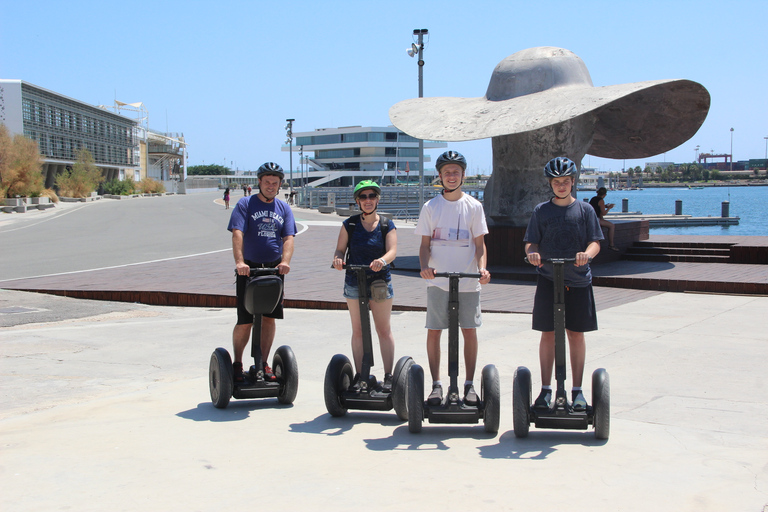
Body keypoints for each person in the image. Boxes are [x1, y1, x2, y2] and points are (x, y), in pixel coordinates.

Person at [523, 157, 603, 412]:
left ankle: (577, 391)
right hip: (548, 279)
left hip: (578, 281)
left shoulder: (585, 210)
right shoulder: (541, 211)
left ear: (572, 183)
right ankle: (546, 390)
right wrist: (533, 253)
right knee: (548, 334)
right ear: (551, 184)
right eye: (557, 182)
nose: (561, 186)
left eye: (566, 182)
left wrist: (587, 255)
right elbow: (531, 242)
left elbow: (595, 242)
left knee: (575, 334)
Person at [414, 151, 491, 406]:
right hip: (438, 281)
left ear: (463, 176)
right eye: (446, 172)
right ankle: (436, 385)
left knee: (469, 330)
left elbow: (480, 245)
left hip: (468, 282)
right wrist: (424, 267)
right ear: (440, 176)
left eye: (455, 172)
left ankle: (469, 384)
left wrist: (482, 269)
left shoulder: (474, 206)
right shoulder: (430, 207)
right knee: (434, 331)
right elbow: (425, 245)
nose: (451, 176)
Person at [227, 162, 296, 382]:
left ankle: (263, 363)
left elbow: (289, 238)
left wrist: (285, 261)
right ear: (259, 182)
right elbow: (237, 233)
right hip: (249, 268)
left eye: (275, 183)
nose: (270, 186)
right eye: (267, 182)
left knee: (269, 318)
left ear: (279, 185)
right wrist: (239, 262)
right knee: (245, 320)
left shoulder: (284, 208)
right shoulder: (245, 204)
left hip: (274, 269)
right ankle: (237, 363)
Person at [332, 180, 397, 390]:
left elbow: (392, 250)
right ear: (358, 201)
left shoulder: (387, 224)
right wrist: (338, 260)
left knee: (383, 330)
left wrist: (383, 260)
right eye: (363, 197)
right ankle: (361, 375)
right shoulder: (349, 225)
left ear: (377, 199)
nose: (367, 200)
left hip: (379, 282)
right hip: (354, 281)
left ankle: (388, 376)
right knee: (358, 330)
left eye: (371, 196)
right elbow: (340, 250)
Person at [589, 187, 619, 251]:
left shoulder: (593, 198)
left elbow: (596, 206)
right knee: (611, 226)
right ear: (604, 195)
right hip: (596, 219)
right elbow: (603, 213)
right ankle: (611, 244)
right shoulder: (601, 200)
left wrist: (605, 206)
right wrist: (609, 208)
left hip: (590, 218)